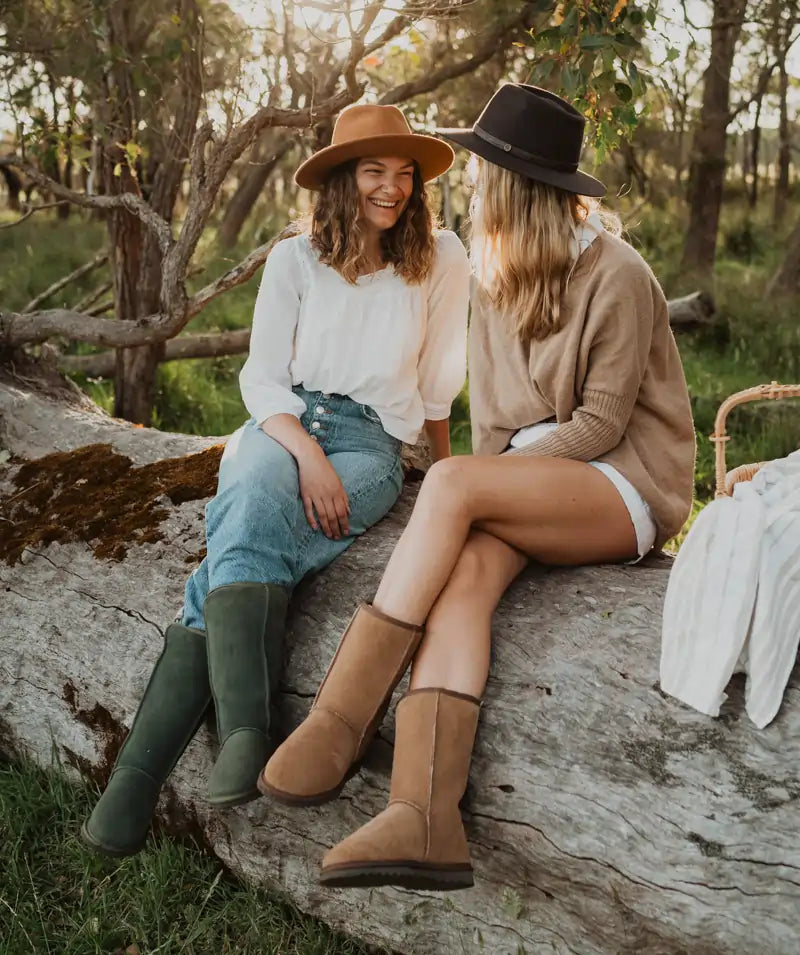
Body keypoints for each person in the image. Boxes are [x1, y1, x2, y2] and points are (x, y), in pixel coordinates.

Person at [259, 83, 696, 890]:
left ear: (516, 186)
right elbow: (493, 417)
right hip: (533, 482)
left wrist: (473, 482)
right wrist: (479, 486)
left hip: (624, 482)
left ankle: (342, 716)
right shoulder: (495, 273)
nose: (470, 185)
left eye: (486, 171)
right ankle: (426, 814)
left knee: (455, 484)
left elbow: (601, 424)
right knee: (463, 577)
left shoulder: (619, 275)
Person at [80, 104, 471, 857]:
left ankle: (139, 775)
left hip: (372, 446)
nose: (391, 188)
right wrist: (304, 453)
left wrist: (445, 476)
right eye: (373, 172)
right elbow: (262, 381)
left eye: (403, 174)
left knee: (236, 534)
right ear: (339, 180)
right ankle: (244, 729)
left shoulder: (441, 256)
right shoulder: (295, 257)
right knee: (255, 497)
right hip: (282, 425)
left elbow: (437, 382)